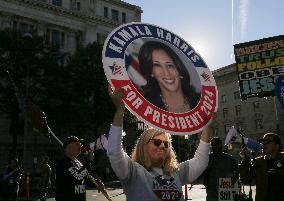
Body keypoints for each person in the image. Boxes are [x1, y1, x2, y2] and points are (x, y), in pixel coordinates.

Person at [107, 87, 212, 201]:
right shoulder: (133, 171)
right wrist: (120, 110)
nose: (162, 146)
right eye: (157, 142)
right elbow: (114, 152)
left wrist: (207, 126)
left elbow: (201, 161)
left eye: (166, 144)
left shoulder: (176, 172)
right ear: (143, 146)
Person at [138, 41, 200, 113]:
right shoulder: (146, 109)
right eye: (157, 65)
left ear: (179, 68)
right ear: (151, 72)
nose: (167, 73)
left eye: (170, 65)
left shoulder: (201, 103)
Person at [239, 133, 284, 201]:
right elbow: (245, 180)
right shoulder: (258, 162)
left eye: (267, 142)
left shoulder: (282, 159)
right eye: (262, 142)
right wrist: (245, 161)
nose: (263, 144)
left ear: (277, 146)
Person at [203, 137, 239, 201]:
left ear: (220, 145)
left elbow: (237, 171)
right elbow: (202, 173)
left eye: (216, 144)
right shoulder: (207, 159)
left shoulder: (229, 159)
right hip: (212, 191)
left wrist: (233, 180)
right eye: (213, 145)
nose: (214, 147)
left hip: (226, 189)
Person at [55, 136, 88, 201]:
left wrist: (98, 182)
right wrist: (88, 162)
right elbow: (78, 177)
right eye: (77, 144)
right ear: (69, 147)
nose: (80, 146)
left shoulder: (77, 162)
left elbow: (85, 177)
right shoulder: (64, 163)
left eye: (80, 144)